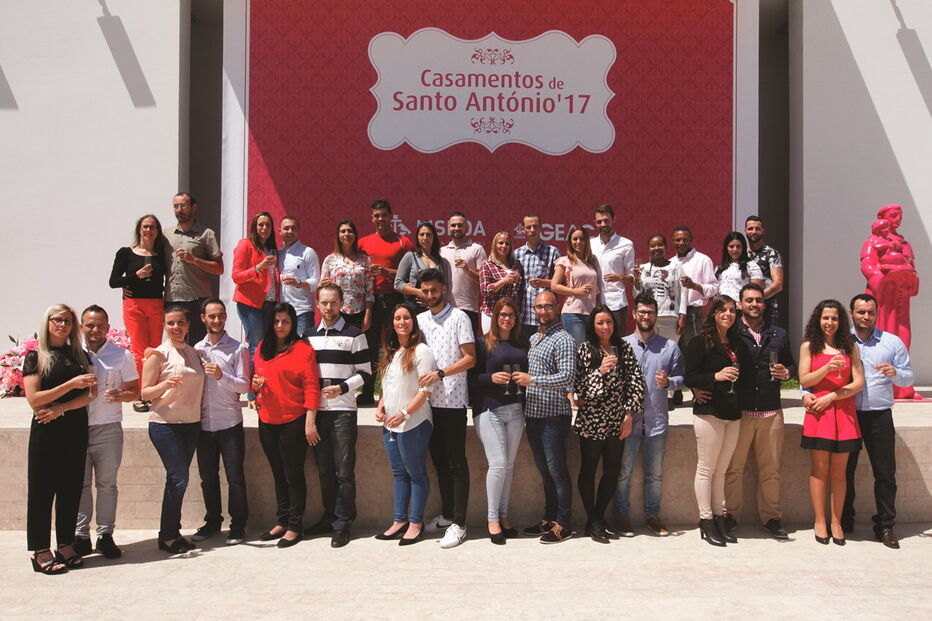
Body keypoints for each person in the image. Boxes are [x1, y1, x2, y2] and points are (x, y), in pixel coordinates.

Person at [23, 304, 96, 574]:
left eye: (67, 321)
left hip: (74, 426)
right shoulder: (35, 356)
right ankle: (40, 550)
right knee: (42, 491)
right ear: (47, 322)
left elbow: (91, 394)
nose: (62, 325)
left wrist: (62, 408)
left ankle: (65, 544)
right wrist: (69, 386)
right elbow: (34, 399)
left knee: (70, 488)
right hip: (46, 430)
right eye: (57, 320)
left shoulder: (79, 355)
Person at [837, 294, 914, 548]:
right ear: (851, 313)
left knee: (885, 474)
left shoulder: (892, 342)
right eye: (861, 312)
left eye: (870, 312)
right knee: (844, 471)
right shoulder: (840, 341)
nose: (865, 317)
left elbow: (908, 377)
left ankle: (885, 526)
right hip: (848, 413)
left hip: (879, 415)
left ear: (876, 314)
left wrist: (896, 373)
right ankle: (843, 521)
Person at [722, 284, 795, 540]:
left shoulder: (779, 333)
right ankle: (730, 516)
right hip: (740, 412)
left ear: (765, 304)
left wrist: (787, 373)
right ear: (741, 304)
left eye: (759, 300)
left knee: (770, 469)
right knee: (734, 468)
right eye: (749, 300)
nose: (754, 304)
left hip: (771, 411)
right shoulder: (731, 333)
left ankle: (772, 518)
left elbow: (791, 365)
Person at [305, 283, 371, 548]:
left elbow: (366, 374)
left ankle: (343, 523)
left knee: (344, 471)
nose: (329, 308)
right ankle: (329, 516)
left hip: (343, 412)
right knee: (324, 471)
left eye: (333, 303)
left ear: (341, 303)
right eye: (324, 303)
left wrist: (343, 387)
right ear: (317, 304)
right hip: (317, 413)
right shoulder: (308, 336)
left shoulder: (355, 334)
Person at [573, 305, 644, 543]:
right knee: (589, 469)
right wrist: (599, 372)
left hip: (617, 420)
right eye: (600, 323)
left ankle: (598, 517)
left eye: (609, 322)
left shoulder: (623, 348)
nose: (605, 327)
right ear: (592, 326)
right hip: (592, 420)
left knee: (612, 471)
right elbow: (579, 388)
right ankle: (593, 520)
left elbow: (636, 382)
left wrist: (629, 414)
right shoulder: (585, 349)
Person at [416, 268, 476, 548]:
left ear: (444, 289)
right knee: (438, 461)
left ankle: (460, 524)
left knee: (455, 463)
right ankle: (448, 514)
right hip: (426, 404)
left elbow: (470, 359)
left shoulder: (459, 317)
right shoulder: (419, 321)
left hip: (452, 401)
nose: (430, 295)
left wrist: (441, 373)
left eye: (434, 290)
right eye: (425, 291)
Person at [252, 303, 321, 548]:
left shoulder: (303, 350)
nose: (280, 326)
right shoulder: (262, 347)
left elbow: (312, 386)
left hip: (294, 420)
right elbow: (256, 381)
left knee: (293, 474)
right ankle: (281, 520)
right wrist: (256, 386)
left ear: (293, 325)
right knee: (277, 473)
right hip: (267, 420)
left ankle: (294, 525)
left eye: (285, 322)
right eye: (276, 321)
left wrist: (310, 420)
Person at [73, 305, 139, 560]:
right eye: (90, 325)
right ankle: (80, 536)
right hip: (77, 428)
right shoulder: (73, 354)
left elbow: (135, 390)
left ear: (108, 328)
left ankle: (105, 535)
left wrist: (122, 396)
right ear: (81, 327)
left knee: (107, 485)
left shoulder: (121, 355)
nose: (95, 330)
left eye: (100, 325)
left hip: (108, 428)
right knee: (80, 485)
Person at [684, 294, 750, 547]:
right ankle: (706, 520)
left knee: (722, 470)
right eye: (723, 310)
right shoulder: (700, 342)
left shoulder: (737, 344)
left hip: (733, 414)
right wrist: (716, 376)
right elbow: (689, 376)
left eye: (732, 311)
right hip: (709, 411)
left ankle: (720, 516)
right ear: (713, 314)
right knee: (706, 468)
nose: (728, 314)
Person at [140, 305, 206, 553]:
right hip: (165, 424)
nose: (176, 328)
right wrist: (165, 384)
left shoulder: (194, 352)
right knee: (178, 478)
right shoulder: (158, 354)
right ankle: (167, 535)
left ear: (188, 325)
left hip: (191, 424)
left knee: (178, 480)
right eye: (171, 323)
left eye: (180, 323)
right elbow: (144, 392)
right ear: (164, 326)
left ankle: (172, 532)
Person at [798, 299, 865, 545]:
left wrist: (834, 397)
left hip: (844, 412)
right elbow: (804, 379)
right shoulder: (808, 346)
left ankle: (836, 520)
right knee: (819, 469)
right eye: (825, 318)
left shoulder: (850, 347)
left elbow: (858, 382)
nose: (829, 323)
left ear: (841, 321)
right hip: (819, 414)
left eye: (834, 318)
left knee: (840, 472)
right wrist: (827, 368)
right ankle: (819, 520)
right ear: (818, 319)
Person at [618, 293, 684, 537]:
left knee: (654, 475)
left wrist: (669, 382)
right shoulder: (622, 345)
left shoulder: (669, 347)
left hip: (656, 422)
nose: (646, 316)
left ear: (656, 316)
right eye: (642, 312)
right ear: (634, 314)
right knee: (623, 473)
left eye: (651, 313)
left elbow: (681, 379)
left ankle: (652, 516)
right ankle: (622, 517)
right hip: (629, 423)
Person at [513, 290, 576, 544]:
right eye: (539, 307)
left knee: (557, 471)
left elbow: (567, 377)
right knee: (545, 472)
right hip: (534, 416)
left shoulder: (564, 340)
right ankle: (550, 518)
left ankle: (564, 523)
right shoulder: (534, 337)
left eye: (548, 306)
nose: (543, 311)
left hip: (554, 418)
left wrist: (533, 381)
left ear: (557, 307)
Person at [374, 304, 437, 546]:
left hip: (414, 423)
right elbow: (388, 385)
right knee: (399, 474)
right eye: (397, 318)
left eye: (407, 318)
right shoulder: (390, 351)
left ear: (414, 321)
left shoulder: (422, 352)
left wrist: (403, 413)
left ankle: (415, 523)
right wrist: (381, 404)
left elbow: (425, 392)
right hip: (391, 425)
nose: (402, 322)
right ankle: (399, 520)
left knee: (416, 474)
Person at [191, 299, 250, 546]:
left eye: (221, 316)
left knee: (235, 476)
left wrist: (220, 375)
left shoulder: (238, 348)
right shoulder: (196, 349)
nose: (217, 321)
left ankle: (238, 526)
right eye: (212, 316)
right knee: (208, 477)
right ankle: (213, 521)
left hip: (229, 422)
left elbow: (244, 385)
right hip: (204, 424)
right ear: (203, 318)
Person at [472, 297, 527, 544]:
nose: (507, 319)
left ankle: (504, 515)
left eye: (511, 316)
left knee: (510, 465)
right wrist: (490, 378)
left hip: (516, 410)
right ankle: (492, 518)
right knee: (498, 464)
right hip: (489, 410)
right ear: (495, 317)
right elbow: (471, 378)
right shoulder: (483, 343)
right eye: (502, 315)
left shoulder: (521, 343)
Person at [357, 200, 415, 405]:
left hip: (395, 299)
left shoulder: (404, 242)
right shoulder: (362, 242)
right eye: (376, 215)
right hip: (370, 300)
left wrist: (387, 272)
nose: (380, 219)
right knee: (370, 347)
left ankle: (395, 391)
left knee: (394, 345)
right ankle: (367, 391)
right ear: (372, 218)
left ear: (391, 217)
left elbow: (412, 274)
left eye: (384, 215)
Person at [860, 204, 920, 400]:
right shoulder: (872, 241)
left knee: (903, 334)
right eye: (893, 216)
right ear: (882, 218)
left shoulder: (903, 242)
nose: (897, 220)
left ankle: (903, 386)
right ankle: (881, 385)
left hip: (901, 291)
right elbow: (868, 264)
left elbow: (911, 263)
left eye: (899, 216)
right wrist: (882, 281)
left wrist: (912, 278)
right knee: (884, 332)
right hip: (884, 292)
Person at [109, 214, 168, 387]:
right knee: (139, 350)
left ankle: (152, 389)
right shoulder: (126, 253)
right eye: (145, 227)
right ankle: (140, 391)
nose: (149, 230)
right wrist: (135, 276)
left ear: (157, 231)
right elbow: (113, 281)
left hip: (156, 305)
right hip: (134, 305)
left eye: (152, 227)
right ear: (139, 230)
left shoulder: (162, 254)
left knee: (155, 349)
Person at [232, 211, 279, 403]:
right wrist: (259, 267)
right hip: (250, 303)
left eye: (268, 225)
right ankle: (252, 391)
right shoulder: (245, 244)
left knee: (268, 345)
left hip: (270, 303)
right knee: (256, 345)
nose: (264, 228)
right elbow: (236, 276)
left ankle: (265, 386)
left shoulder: (273, 249)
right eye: (261, 225)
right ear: (254, 226)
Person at [165, 193, 224, 346]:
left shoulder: (206, 234)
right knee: (175, 343)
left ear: (193, 207)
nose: (179, 210)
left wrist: (194, 260)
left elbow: (219, 268)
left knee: (198, 345)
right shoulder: (166, 235)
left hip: (198, 299)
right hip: (173, 299)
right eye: (176, 206)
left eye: (183, 206)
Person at [320, 219, 374, 330]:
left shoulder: (365, 260)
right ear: (338, 235)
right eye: (343, 231)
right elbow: (321, 288)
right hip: (336, 312)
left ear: (355, 235)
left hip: (359, 312)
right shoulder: (330, 260)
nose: (346, 234)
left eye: (349, 231)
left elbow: (369, 292)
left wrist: (368, 315)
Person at [551, 224, 601, 344]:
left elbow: (596, 291)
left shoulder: (592, 262)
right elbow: (554, 286)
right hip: (573, 313)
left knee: (590, 353)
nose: (579, 242)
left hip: (592, 314)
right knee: (577, 351)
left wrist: (599, 310)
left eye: (582, 239)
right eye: (575, 239)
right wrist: (576, 291)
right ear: (570, 242)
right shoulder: (565, 261)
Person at [515, 213, 561, 341]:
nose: (532, 230)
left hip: (546, 315)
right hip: (523, 315)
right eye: (528, 227)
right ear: (523, 229)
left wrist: (543, 282)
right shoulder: (517, 254)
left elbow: (562, 283)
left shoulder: (553, 252)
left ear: (541, 228)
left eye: (535, 226)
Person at [589, 204, 635, 334]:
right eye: (599, 221)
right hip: (594, 303)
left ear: (613, 220)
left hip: (617, 303)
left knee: (617, 342)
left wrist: (619, 277)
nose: (603, 224)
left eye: (606, 220)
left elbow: (632, 277)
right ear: (595, 223)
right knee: (596, 343)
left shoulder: (626, 244)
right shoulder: (590, 244)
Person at [439, 211, 487, 335]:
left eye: (460, 225)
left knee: (469, 350)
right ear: (448, 227)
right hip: (445, 309)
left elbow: (484, 281)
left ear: (467, 228)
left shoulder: (476, 249)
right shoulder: (441, 251)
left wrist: (467, 270)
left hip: (468, 308)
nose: (456, 228)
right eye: (453, 225)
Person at [669, 225, 718, 344]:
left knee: (694, 349)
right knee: (674, 351)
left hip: (693, 314)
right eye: (678, 240)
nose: (681, 243)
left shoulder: (702, 260)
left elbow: (714, 288)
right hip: (673, 314)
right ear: (672, 241)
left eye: (685, 240)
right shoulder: (670, 262)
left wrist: (694, 286)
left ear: (691, 240)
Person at [633, 234, 687, 341]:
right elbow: (637, 296)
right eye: (653, 246)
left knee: (668, 351)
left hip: (670, 317)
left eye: (660, 245)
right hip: (648, 317)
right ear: (648, 248)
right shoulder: (643, 268)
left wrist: (682, 315)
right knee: (648, 350)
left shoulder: (676, 267)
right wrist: (636, 281)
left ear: (666, 247)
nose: (656, 248)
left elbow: (684, 292)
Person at [394, 221, 452, 313]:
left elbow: (445, 287)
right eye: (422, 234)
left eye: (428, 235)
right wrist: (418, 292)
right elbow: (397, 284)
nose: (425, 238)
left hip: (436, 309)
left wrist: (431, 299)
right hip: (415, 309)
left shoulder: (441, 261)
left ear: (434, 238)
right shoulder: (410, 256)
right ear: (417, 237)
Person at [278, 215, 321, 337]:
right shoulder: (277, 254)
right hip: (282, 312)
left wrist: (298, 283)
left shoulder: (308, 252)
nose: (290, 231)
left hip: (302, 312)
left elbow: (316, 282)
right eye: (286, 228)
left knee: (302, 348)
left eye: (293, 228)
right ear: (279, 231)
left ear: (298, 230)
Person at [479, 231, 524, 334]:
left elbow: (520, 290)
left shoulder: (516, 265)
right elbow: (485, 290)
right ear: (495, 244)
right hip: (492, 313)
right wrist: (503, 281)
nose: (504, 246)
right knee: (491, 346)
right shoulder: (487, 265)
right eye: (500, 243)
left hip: (510, 315)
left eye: (507, 243)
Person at [744, 216, 785, 326]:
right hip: (746, 312)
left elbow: (778, 285)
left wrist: (757, 300)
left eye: (757, 229)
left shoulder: (772, 254)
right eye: (750, 228)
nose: (754, 231)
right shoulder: (742, 255)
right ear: (745, 231)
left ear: (763, 230)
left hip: (768, 311)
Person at [714, 231, 764, 302]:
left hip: (740, 309)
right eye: (731, 246)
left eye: (738, 246)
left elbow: (756, 292)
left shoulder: (752, 266)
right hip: (723, 310)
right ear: (726, 248)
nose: (735, 250)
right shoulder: (719, 268)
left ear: (743, 248)